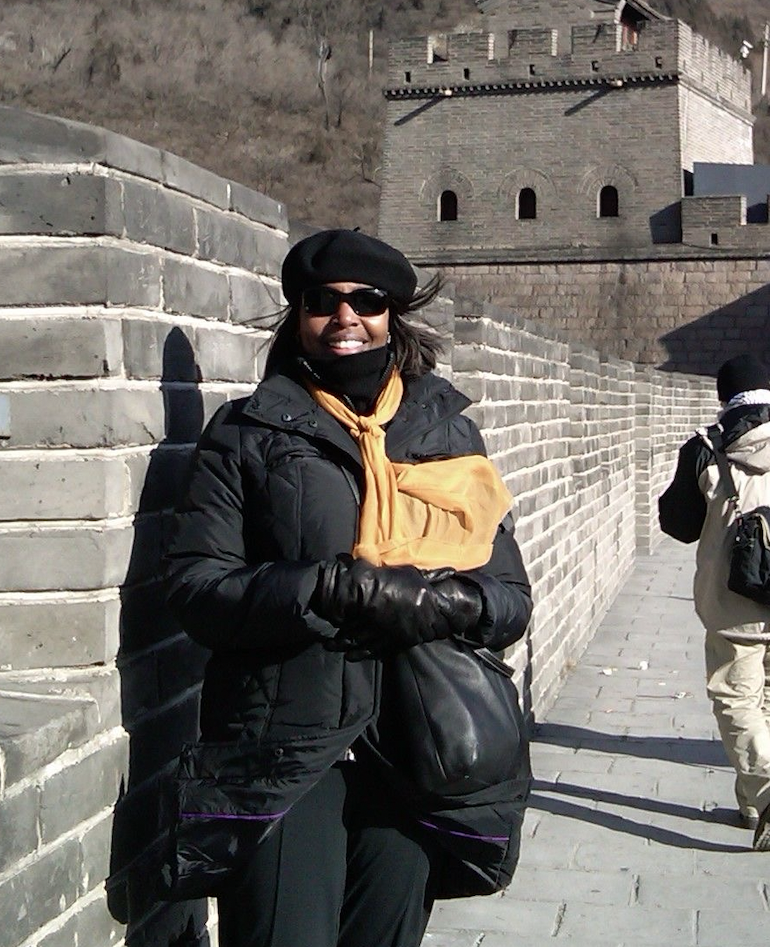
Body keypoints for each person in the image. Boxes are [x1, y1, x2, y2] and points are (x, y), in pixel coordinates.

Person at [162, 229, 535, 947]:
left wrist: (446, 603)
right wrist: (326, 590)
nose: (345, 318)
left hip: (415, 749)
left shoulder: (446, 435)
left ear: (393, 314)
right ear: (296, 315)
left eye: (366, 301)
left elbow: (509, 595)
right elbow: (196, 588)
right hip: (286, 752)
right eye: (321, 302)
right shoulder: (246, 434)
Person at [657, 355, 770, 851]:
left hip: (731, 601)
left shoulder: (705, 449)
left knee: (734, 698)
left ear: (724, 400)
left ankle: (769, 790)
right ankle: (751, 805)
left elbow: (677, 525)